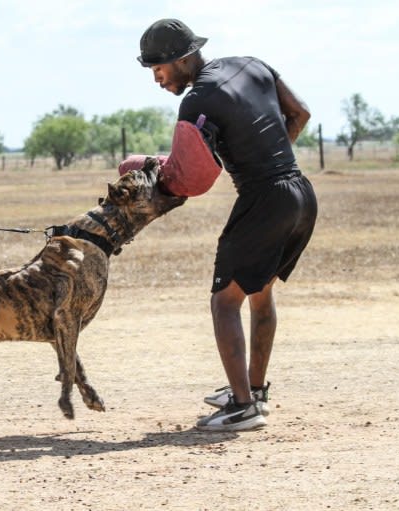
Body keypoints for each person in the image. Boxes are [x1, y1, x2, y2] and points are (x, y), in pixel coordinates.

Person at [134, 18, 318, 431]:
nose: (157, 81)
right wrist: (270, 155)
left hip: (265, 198)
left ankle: (242, 406)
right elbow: (301, 113)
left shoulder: (197, 100)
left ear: (182, 60)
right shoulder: (253, 64)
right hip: (301, 193)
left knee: (224, 302)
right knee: (259, 291)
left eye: (159, 71)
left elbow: (186, 174)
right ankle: (255, 390)